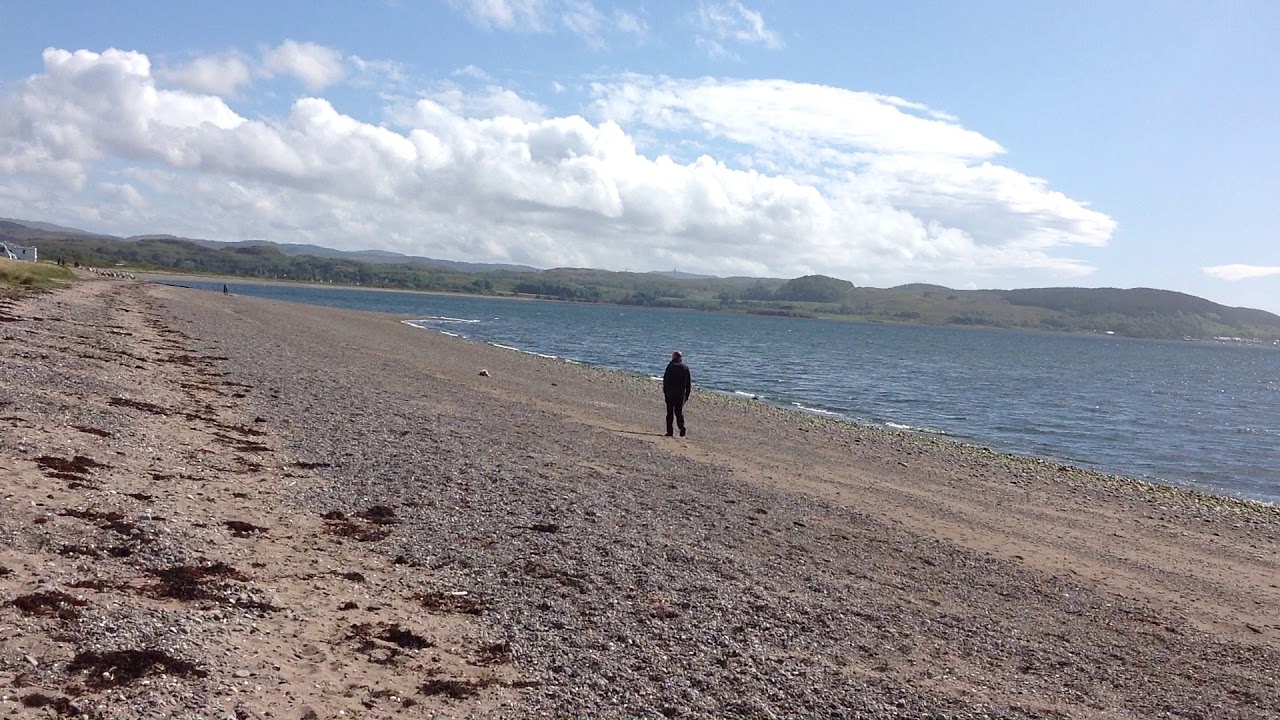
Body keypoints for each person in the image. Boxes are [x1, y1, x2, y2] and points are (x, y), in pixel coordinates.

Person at [662, 351, 692, 437]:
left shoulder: (670, 366)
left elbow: (666, 380)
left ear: (674, 357)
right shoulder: (685, 368)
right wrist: (687, 395)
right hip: (680, 394)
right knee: (678, 412)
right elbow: (688, 383)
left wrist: (665, 391)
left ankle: (670, 431)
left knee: (670, 413)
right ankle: (681, 428)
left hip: (670, 394)